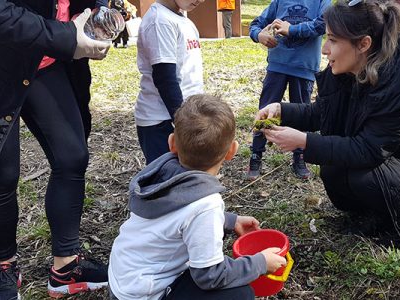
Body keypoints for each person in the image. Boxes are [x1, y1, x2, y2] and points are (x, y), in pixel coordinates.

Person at [258, 0, 400, 247]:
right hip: (389, 159)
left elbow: (369, 150)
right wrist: (281, 110)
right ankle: (373, 214)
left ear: (363, 44)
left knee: (356, 174)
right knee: (333, 167)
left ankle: (394, 223)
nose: (324, 50)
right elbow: (323, 112)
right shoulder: (351, 66)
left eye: (332, 40)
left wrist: (304, 142)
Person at [0, 1, 112, 299]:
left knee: (71, 156)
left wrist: (99, 16)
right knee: (0, 172)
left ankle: (65, 266)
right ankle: (4, 265)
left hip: (48, 61)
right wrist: (67, 38)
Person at [108, 94, 287, 300]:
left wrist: (230, 220)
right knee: (240, 294)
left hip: (122, 283)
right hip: (144, 295)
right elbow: (209, 276)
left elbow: (177, 215)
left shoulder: (161, 174)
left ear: (172, 143)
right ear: (232, 151)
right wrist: (260, 263)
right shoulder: (206, 205)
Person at [246, 0, 330, 180]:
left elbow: (322, 25)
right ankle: (256, 154)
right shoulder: (279, 1)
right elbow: (256, 24)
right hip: (277, 67)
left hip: (304, 69)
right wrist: (258, 35)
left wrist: (291, 30)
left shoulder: (323, 2)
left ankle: (299, 157)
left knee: (302, 113)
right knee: (266, 110)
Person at [135, 0, 205, 164]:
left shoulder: (181, 19)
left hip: (183, 116)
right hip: (163, 121)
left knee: (184, 179)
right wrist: (182, 122)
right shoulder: (160, 21)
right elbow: (165, 79)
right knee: (166, 182)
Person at [66, 0, 109, 142]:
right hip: (43, 44)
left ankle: (80, 145)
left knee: (80, 100)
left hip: (77, 45)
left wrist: (100, 11)